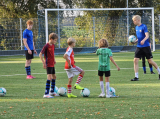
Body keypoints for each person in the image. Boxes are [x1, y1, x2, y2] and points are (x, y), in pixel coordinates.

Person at [131, 15, 160, 81]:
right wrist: (136, 41)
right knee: (135, 60)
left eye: (134, 20)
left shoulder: (144, 26)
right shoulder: (136, 27)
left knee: (150, 61)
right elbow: (139, 37)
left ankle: (159, 72)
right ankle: (136, 77)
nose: (133, 22)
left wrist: (143, 40)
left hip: (146, 47)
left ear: (138, 20)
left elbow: (147, 36)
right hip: (139, 47)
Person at [39, 33, 58, 98]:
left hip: (52, 63)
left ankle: (52, 91)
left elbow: (53, 53)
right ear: (51, 39)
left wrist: (54, 60)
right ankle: (46, 93)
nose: (55, 42)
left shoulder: (53, 45)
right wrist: (43, 63)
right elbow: (40, 54)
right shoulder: (46, 46)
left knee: (54, 77)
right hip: (48, 63)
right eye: (55, 40)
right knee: (49, 77)